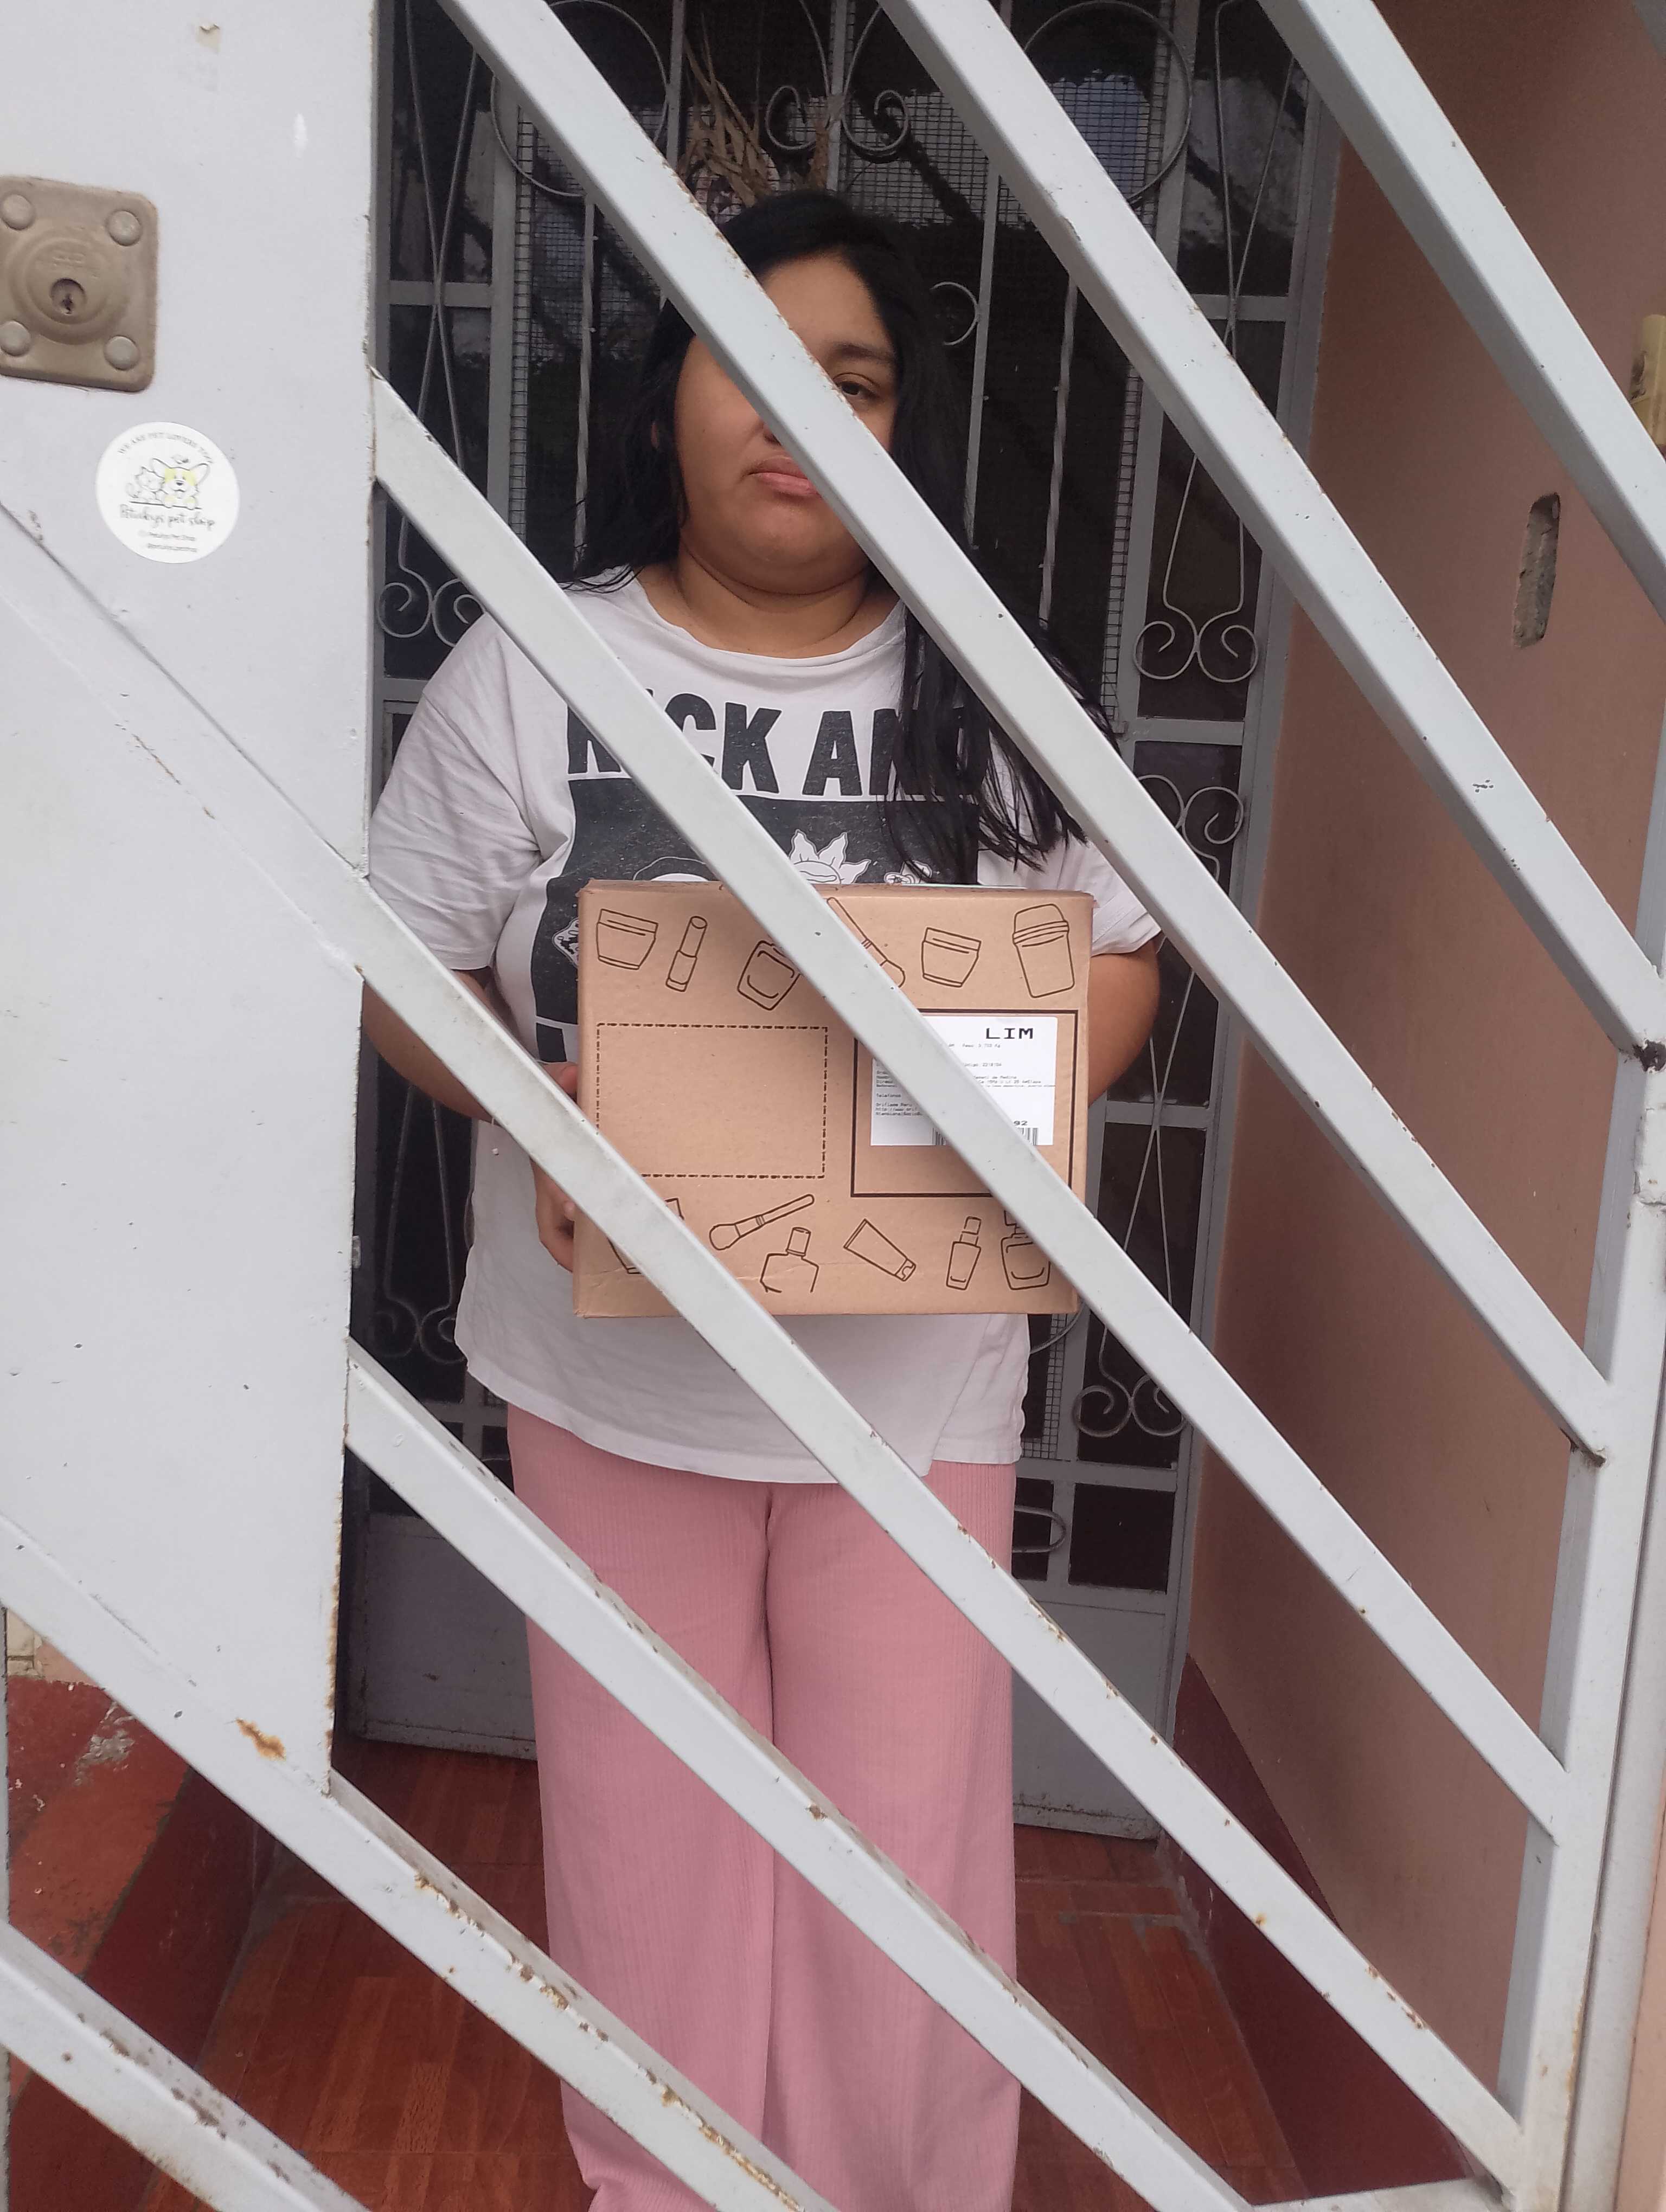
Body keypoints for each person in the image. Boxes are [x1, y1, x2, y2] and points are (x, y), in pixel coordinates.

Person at [366, 189, 1161, 2212]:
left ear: (903, 427)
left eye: (856, 379)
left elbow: (1119, 952)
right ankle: (669, 2188)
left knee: (905, 1849)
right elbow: (401, 964)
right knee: (645, 1833)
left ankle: (898, 2191)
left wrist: (1013, 1108)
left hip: (914, 1387)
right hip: (610, 1376)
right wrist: (542, 1117)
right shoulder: (531, 667)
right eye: (756, 364)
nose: (804, 414)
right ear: (668, 404)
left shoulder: (990, 687)